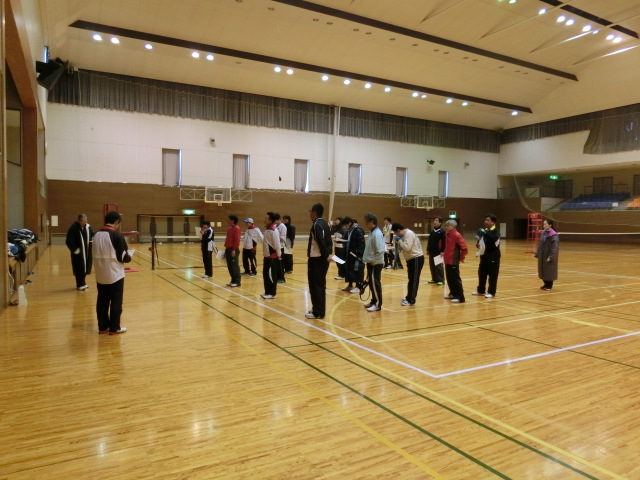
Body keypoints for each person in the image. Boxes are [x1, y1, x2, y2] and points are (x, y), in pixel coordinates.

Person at [93, 211, 131, 335]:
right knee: (116, 301)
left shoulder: (96, 235)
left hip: (100, 274)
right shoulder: (116, 235)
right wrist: (129, 257)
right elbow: (123, 256)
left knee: (102, 301)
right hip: (115, 274)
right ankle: (114, 328)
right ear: (116, 222)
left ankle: (103, 327)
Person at [305, 203, 332, 319]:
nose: (310, 214)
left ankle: (318, 312)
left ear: (314, 212)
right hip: (322, 260)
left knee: (315, 285)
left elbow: (321, 241)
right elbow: (329, 242)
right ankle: (319, 309)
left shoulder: (316, 225)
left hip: (317, 260)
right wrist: (328, 255)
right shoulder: (325, 224)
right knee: (320, 285)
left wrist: (325, 255)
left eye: (310, 211)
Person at [391, 223, 425, 306]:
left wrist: (399, 241)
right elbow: (402, 248)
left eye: (395, 232)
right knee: (411, 279)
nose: (395, 234)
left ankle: (411, 300)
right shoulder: (404, 235)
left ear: (398, 230)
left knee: (414, 280)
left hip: (416, 258)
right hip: (411, 259)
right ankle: (409, 297)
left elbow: (407, 248)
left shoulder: (408, 234)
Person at [472, 214, 501, 298]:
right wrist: (478, 245)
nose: (486, 222)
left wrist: (485, 233)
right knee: (482, 273)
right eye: (485, 220)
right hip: (484, 255)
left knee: (492, 275)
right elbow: (481, 241)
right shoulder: (484, 230)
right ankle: (481, 290)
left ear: (493, 222)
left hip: (493, 255)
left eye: (488, 220)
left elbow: (494, 238)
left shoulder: (496, 231)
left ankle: (491, 292)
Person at [363, 213, 385, 312]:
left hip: (375, 264)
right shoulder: (372, 232)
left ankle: (377, 305)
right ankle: (374, 301)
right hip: (371, 262)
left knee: (375, 284)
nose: (365, 224)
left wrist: (375, 261)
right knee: (372, 284)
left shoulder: (377, 234)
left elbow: (380, 250)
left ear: (371, 222)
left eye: (366, 222)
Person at [66, 213, 94, 290]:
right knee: (79, 268)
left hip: (87, 252)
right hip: (78, 253)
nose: (84, 223)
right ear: (79, 220)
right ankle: (79, 284)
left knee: (85, 267)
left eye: (85, 221)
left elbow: (92, 234)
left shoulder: (88, 227)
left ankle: (83, 282)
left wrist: (92, 239)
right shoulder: (74, 228)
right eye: (82, 221)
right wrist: (75, 249)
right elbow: (69, 240)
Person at [443, 219, 468, 304]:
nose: (446, 227)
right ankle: (453, 293)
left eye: (448, 226)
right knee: (449, 278)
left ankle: (460, 297)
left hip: (453, 260)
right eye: (446, 226)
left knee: (455, 279)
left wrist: (461, 257)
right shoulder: (447, 234)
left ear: (453, 226)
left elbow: (464, 248)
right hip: (447, 260)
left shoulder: (457, 235)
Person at [340, 217, 365, 293]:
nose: (345, 227)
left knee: (357, 269)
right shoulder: (349, 230)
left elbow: (361, 243)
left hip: (356, 255)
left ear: (349, 223)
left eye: (346, 225)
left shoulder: (358, 230)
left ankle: (358, 286)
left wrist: (359, 254)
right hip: (350, 253)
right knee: (349, 269)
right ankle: (350, 285)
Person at [534, 218, 559, 291]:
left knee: (549, 271)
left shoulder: (554, 235)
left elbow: (555, 248)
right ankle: (545, 284)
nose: (544, 225)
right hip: (542, 255)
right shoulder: (543, 233)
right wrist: (537, 253)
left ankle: (549, 285)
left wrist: (551, 256)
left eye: (545, 224)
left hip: (549, 255)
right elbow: (540, 244)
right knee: (542, 270)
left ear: (550, 225)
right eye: (543, 224)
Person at [261, 212, 281, 299]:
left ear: (270, 220)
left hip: (272, 257)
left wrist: (279, 255)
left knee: (271, 275)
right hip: (266, 256)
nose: (264, 219)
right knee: (266, 274)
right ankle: (267, 291)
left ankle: (272, 293)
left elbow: (277, 244)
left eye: (266, 218)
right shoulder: (267, 230)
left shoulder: (273, 231)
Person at [426, 217, 445, 285]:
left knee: (438, 266)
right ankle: (434, 279)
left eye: (436, 220)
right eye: (434, 220)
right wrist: (428, 249)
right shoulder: (432, 231)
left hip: (438, 252)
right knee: (432, 266)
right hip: (431, 251)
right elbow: (429, 241)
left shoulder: (442, 232)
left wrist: (442, 251)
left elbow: (444, 242)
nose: (434, 221)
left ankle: (441, 280)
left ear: (440, 223)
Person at [224, 215, 242, 287]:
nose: (228, 221)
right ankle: (233, 280)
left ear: (233, 220)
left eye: (229, 219)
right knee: (230, 266)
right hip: (228, 249)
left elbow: (237, 240)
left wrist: (234, 249)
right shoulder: (229, 229)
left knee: (234, 265)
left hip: (233, 249)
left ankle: (237, 281)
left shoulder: (236, 228)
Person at [275, 213, 287, 283]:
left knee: (280, 264)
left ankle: (282, 278)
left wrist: (275, 237)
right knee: (277, 264)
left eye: (276, 220)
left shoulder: (283, 226)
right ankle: (277, 277)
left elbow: (283, 238)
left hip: (281, 247)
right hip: (276, 247)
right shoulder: (275, 226)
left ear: (279, 219)